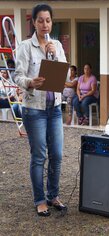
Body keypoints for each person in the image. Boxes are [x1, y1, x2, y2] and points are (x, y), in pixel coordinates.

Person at [13, 3, 67, 216]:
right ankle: (39, 200)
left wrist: (55, 55)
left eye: (48, 20)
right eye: (40, 20)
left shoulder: (57, 45)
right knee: (39, 155)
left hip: (54, 107)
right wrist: (30, 82)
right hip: (34, 109)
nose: (45, 24)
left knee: (57, 154)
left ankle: (53, 195)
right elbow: (17, 76)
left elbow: (64, 71)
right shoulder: (26, 47)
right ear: (34, 22)